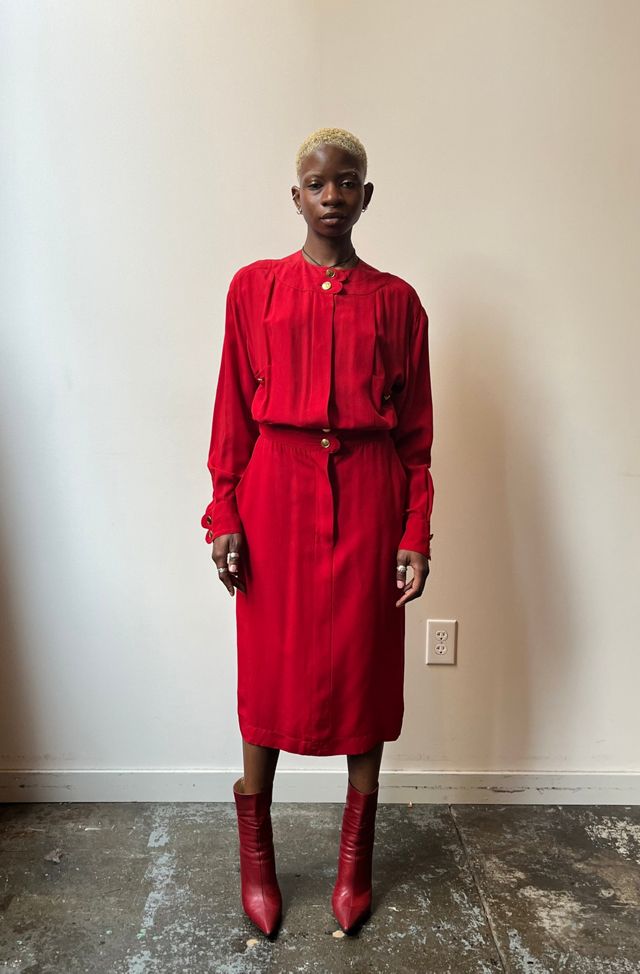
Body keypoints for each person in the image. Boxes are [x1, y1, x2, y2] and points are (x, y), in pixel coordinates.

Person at [201, 126, 435, 938]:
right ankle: (257, 865)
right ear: (294, 194)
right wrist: (225, 512)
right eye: (316, 182)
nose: (332, 195)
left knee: (366, 672)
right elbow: (232, 411)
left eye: (347, 182)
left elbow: (415, 437)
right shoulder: (253, 290)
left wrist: (416, 530)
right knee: (268, 676)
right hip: (275, 496)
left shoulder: (399, 303)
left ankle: (353, 868)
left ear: (366, 196)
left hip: (370, 498)